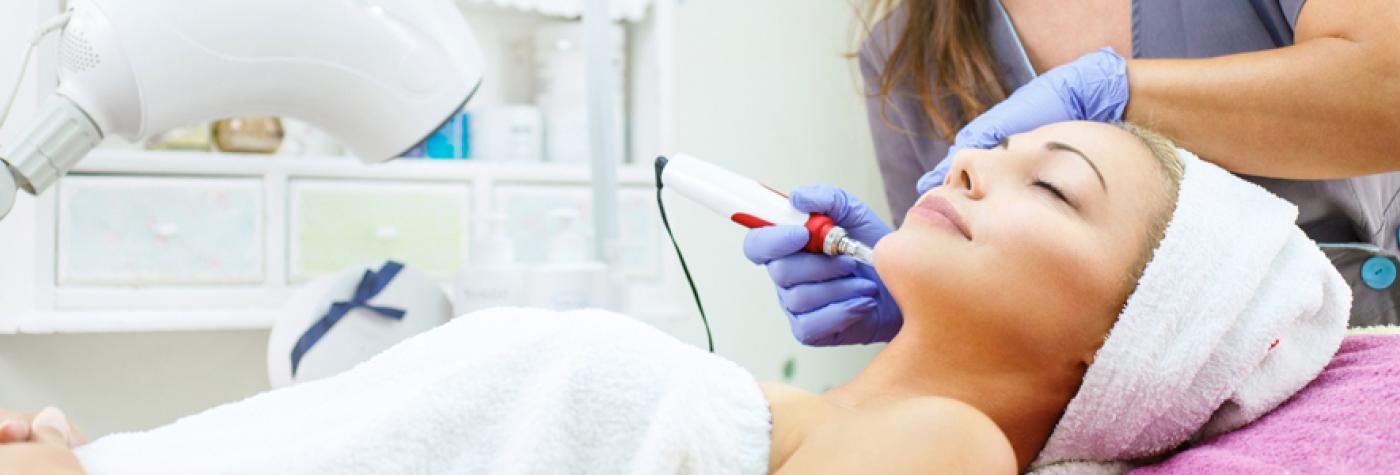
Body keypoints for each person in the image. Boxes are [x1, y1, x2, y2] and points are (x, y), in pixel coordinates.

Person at [0, 122, 1350, 473]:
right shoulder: (832, 419)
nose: (980, 158)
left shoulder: (948, 440)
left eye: (1055, 184)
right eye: (995, 146)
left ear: (1121, 344)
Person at [747, 0, 1400, 347]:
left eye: (1060, 184)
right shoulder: (904, 58)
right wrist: (914, 307)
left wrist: (1120, 93)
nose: (973, 174)